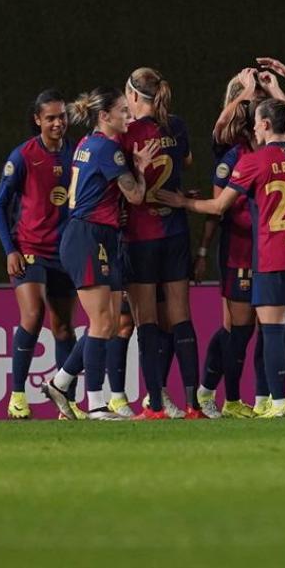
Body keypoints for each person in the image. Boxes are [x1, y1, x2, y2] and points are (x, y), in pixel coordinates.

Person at [160, 98, 285, 418]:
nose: (253, 128)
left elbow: (219, 207)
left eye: (256, 123)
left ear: (264, 125)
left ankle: (277, 404)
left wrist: (182, 202)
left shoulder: (254, 161)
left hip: (273, 256)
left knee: (273, 329)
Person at [41, 87, 159, 420]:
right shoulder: (109, 149)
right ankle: (95, 404)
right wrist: (141, 168)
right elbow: (135, 196)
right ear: (104, 117)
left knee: (107, 323)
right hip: (88, 236)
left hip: (97, 235)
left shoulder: (87, 144)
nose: (128, 115)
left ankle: (61, 383)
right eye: (123, 110)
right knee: (102, 321)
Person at [119, 67, 205, 419]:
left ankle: (154, 404)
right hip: (176, 232)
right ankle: (193, 404)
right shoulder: (177, 126)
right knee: (181, 316)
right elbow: (184, 160)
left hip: (141, 235)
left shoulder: (127, 133)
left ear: (134, 96)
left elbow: (122, 182)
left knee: (147, 321)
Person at [0, 90, 82, 420]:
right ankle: (17, 396)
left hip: (64, 253)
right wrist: (9, 250)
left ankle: (65, 404)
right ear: (38, 120)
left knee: (63, 327)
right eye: (51, 118)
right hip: (28, 249)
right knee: (32, 316)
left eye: (62, 117)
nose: (58, 123)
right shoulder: (23, 156)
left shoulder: (77, 153)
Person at [193, 98, 259, 418]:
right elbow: (216, 210)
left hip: (269, 253)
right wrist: (204, 250)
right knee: (240, 329)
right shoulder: (233, 157)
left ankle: (209, 390)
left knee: (248, 328)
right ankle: (226, 398)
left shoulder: (275, 153)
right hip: (239, 251)